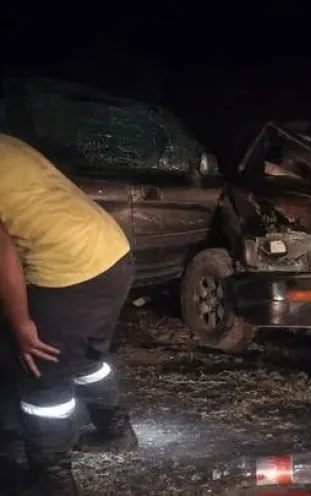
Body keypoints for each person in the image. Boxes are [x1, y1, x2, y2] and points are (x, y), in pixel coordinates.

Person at [0, 133, 138, 495]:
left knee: (39, 368)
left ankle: (52, 478)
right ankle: (115, 430)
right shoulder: (6, 143)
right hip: (111, 253)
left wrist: (21, 324)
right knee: (83, 355)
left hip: (69, 271)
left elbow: (3, 255)